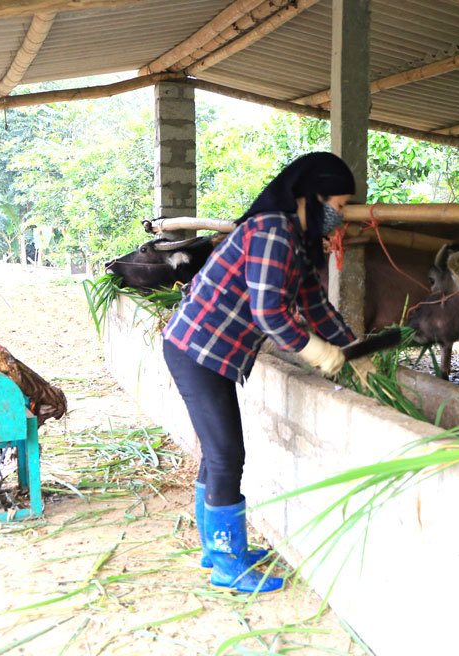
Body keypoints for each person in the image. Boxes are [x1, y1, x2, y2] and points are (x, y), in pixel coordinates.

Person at [162, 152, 375, 594]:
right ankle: (226, 563)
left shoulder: (297, 239)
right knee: (226, 456)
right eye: (339, 202)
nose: (342, 214)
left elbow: (314, 305)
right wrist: (320, 352)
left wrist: (353, 349)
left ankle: (216, 548)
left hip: (213, 352)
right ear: (312, 197)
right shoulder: (272, 231)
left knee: (219, 452)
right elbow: (271, 313)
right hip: (196, 349)